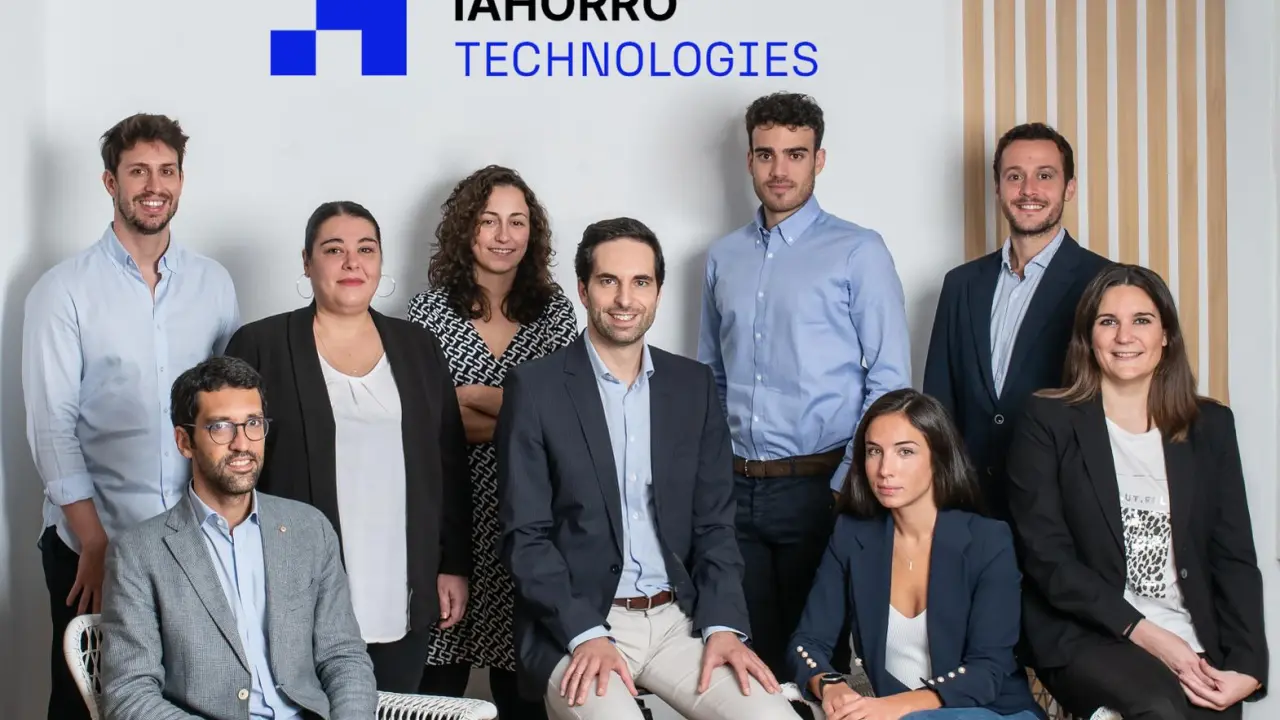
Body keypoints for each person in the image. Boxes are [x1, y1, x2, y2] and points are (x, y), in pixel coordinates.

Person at [497, 217, 799, 719]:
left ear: (658, 291)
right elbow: (525, 537)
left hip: (680, 620)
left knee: (773, 716)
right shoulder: (535, 388)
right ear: (583, 289)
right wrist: (584, 632)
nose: (625, 299)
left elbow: (715, 525)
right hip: (580, 624)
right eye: (608, 281)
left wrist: (723, 625)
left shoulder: (693, 386)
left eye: (640, 282)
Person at [22, 112, 240, 720]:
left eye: (167, 171)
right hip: (92, 540)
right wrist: (94, 542)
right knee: (86, 701)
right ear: (110, 182)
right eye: (138, 171)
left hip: (190, 542)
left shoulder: (214, 285)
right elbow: (51, 427)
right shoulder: (62, 290)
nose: (154, 185)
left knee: (183, 697)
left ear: (181, 180)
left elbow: (225, 413)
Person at [697, 91, 912, 676]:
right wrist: (713, 476)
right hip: (735, 490)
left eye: (795, 155)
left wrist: (846, 485)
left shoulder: (859, 251)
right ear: (749, 160)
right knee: (742, 662)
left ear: (819, 160)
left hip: (821, 487)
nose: (779, 170)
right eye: (766, 154)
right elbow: (712, 376)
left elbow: (889, 381)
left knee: (814, 662)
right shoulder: (722, 257)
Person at [223, 201, 470, 692]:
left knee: (393, 706)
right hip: (293, 587)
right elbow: (228, 469)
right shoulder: (259, 346)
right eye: (334, 250)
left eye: (366, 249)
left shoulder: (418, 347)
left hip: (401, 582)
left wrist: (453, 565)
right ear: (307, 261)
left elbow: (449, 462)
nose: (352, 262)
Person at [1005, 264, 1268, 719]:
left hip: (1193, 635)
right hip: (1089, 633)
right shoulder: (1047, 420)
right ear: (1088, 338)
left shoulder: (1210, 427)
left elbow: (1233, 556)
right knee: (1157, 709)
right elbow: (1047, 558)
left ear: (1166, 335)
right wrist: (1149, 634)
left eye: (1141, 320)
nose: (1124, 336)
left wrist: (1248, 667)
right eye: (1108, 321)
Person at [99, 356, 377, 720]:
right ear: (185, 441)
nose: (242, 444)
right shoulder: (138, 552)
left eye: (253, 423)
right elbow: (128, 694)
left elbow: (344, 657)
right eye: (220, 427)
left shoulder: (310, 529)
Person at [409, 165, 577, 718]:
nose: (504, 235)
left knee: (523, 693)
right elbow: (424, 422)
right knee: (433, 692)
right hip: (448, 520)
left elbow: (565, 418)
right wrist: (521, 411)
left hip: (529, 520)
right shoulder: (428, 313)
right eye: (489, 220)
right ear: (466, 228)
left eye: (517, 221)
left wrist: (471, 398)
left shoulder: (554, 313)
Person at [788, 388, 1046, 720]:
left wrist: (888, 708)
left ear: (938, 458)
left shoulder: (988, 540)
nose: (885, 469)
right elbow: (807, 643)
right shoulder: (851, 535)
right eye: (874, 451)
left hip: (991, 712)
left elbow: (987, 671)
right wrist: (829, 684)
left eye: (905, 452)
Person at [923, 122, 1109, 520]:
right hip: (971, 509)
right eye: (1014, 176)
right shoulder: (960, 285)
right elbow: (939, 404)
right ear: (998, 188)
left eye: (1045, 175)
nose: (1028, 190)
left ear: (1069, 188)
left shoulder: (1104, 283)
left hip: (1063, 512)